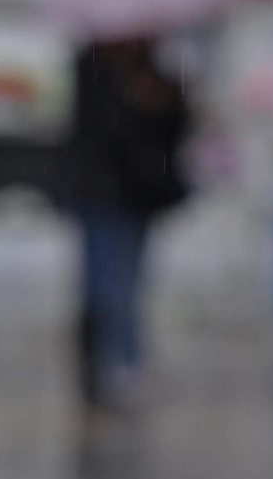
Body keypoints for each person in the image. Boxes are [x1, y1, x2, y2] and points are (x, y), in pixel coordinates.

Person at [63, 37, 191, 409]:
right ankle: (108, 365)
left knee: (131, 280)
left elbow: (174, 128)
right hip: (101, 194)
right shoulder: (92, 68)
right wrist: (133, 102)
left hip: (141, 193)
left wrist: (165, 100)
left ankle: (126, 361)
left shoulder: (156, 69)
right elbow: (97, 132)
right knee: (106, 283)